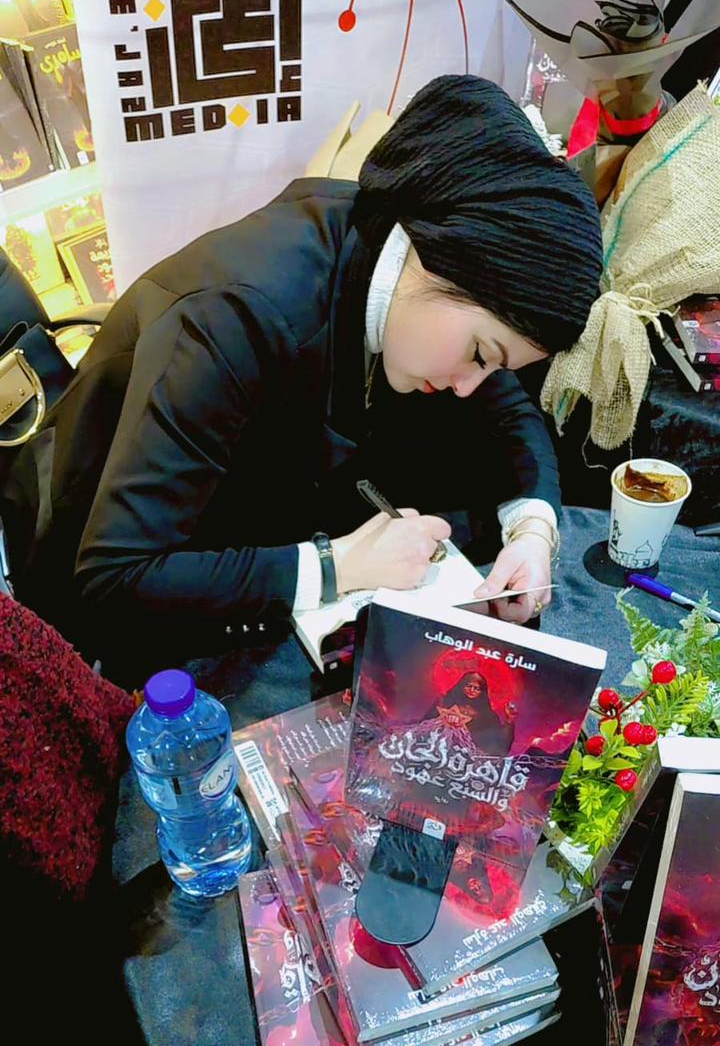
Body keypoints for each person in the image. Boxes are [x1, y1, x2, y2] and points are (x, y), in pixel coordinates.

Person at [8, 74, 603, 686]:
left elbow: (509, 415)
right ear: (437, 261)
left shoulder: (393, 254)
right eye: (480, 354)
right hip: (121, 575)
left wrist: (532, 533)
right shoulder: (237, 316)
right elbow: (116, 575)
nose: (470, 386)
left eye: (497, 366)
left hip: (255, 517)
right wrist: (336, 565)